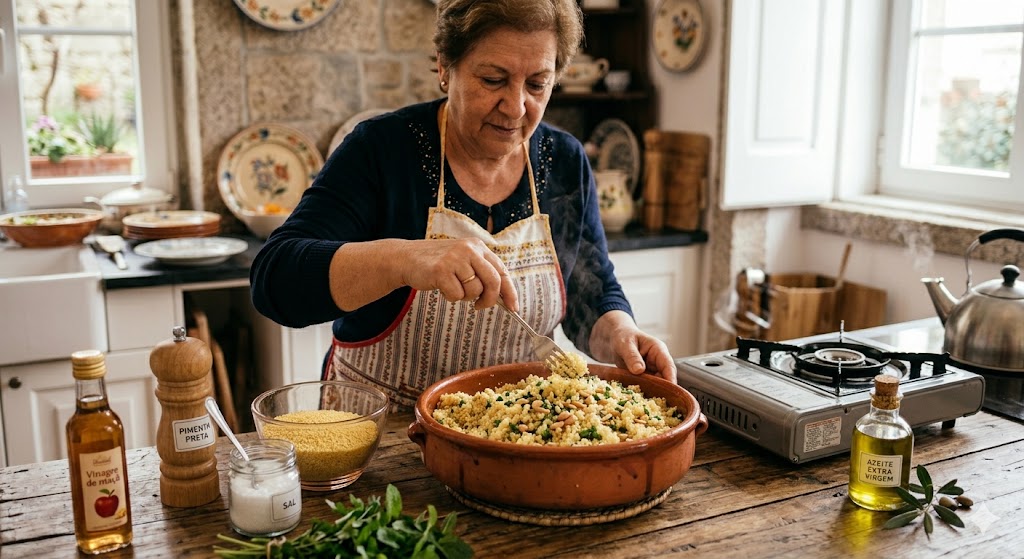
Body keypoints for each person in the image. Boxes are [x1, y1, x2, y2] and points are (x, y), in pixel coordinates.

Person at [250, 0, 677, 408]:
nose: (515, 107)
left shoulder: (563, 161)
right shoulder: (380, 151)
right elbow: (275, 280)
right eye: (493, 80)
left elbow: (591, 290)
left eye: (536, 84)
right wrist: (406, 258)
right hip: (382, 435)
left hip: (514, 430)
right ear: (444, 66)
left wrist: (620, 332)